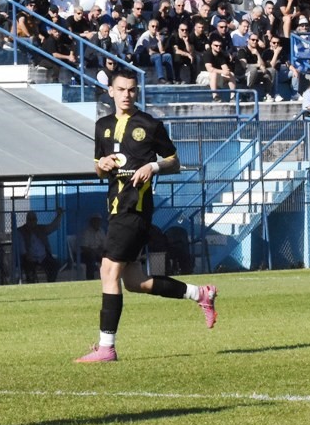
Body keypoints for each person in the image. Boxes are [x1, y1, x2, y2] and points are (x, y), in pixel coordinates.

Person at [76, 69, 218, 363]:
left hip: (136, 208)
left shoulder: (150, 125)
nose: (126, 94)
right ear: (111, 92)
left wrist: (152, 167)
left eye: (131, 89)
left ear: (136, 92)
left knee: (108, 272)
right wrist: (102, 164)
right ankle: (200, 294)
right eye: (121, 89)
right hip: (115, 208)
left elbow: (174, 162)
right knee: (134, 281)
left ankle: (106, 348)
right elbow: (99, 170)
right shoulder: (102, 126)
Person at [17, 207, 63, 283]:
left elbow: (53, 226)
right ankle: (31, 285)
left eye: (34, 219)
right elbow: (21, 246)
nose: (32, 222)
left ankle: (51, 283)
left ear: (36, 220)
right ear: (27, 220)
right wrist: (26, 255)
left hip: (43, 256)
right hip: (29, 258)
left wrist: (59, 215)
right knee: (29, 271)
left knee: (55, 265)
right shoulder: (21, 231)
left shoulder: (41, 228)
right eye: (30, 219)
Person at [197, 38, 237, 102]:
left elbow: (225, 68)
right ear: (212, 46)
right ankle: (215, 96)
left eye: (220, 46)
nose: (218, 47)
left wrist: (226, 72)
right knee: (214, 74)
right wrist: (223, 71)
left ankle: (233, 97)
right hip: (204, 76)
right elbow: (209, 69)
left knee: (231, 74)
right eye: (216, 45)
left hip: (216, 76)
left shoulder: (221, 55)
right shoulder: (207, 54)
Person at [134, 20, 173, 84]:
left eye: (156, 27)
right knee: (157, 56)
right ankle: (161, 78)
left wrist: (159, 41)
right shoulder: (145, 36)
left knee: (167, 56)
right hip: (140, 57)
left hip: (151, 57)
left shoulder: (157, 35)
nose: (155, 28)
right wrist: (159, 54)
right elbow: (150, 52)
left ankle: (170, 79)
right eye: (153, 26)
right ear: (149, 27)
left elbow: (162, 51)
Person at [79, 215, 106, 281]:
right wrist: (94, 251)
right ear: (91, 222)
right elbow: (84, 247)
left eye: (99, 221)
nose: (97, 223)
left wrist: (101, 250)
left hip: (98, 253)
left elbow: (104, 244)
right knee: (91, 257)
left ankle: (106, 276)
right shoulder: (86, 232)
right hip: (86, 254)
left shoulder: (101, 231)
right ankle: (90, 278)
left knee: (107, 256)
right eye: (96, 221)